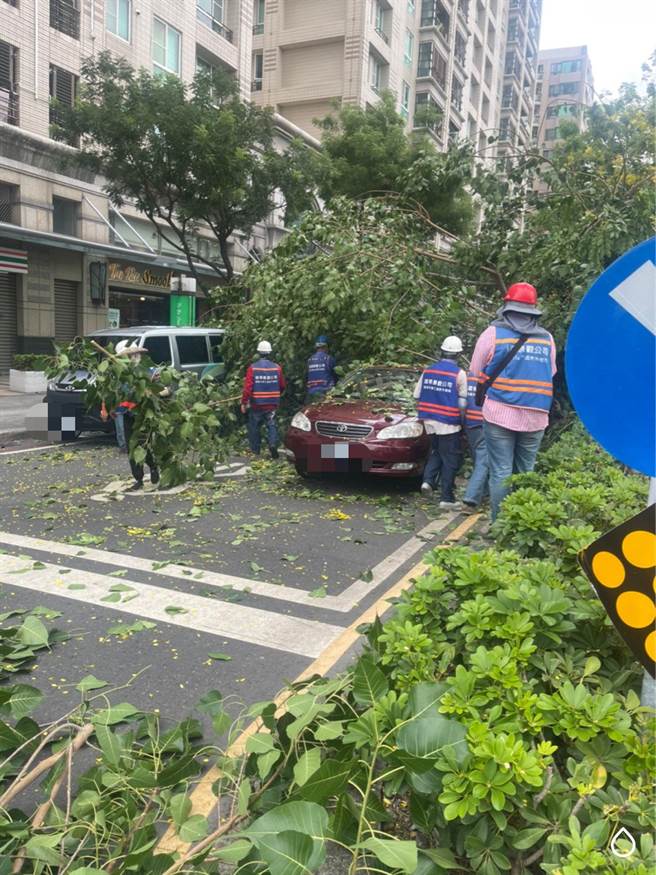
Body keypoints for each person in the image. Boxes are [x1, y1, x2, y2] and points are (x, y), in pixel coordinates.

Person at [469, 282, 556, 521]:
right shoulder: (547, 339)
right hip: (536, 416)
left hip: (499, 413)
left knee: (501, 471)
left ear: (506, 306)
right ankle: (522, 522)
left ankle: (500, 526)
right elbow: (551, 372)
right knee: (525, 472)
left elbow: (475, 372)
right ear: (534, 310)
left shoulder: (492, 334)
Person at [414, 336, 467, 508]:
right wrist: (463, 422)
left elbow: (416, 395)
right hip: (449, 422)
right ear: (458, 354)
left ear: (442, 351)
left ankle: (428, 481)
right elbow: (462, 402)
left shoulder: (427, 371)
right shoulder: (459, 373)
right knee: (450, 460)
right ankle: (446, 498)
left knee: (436, 452)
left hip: (429, 420)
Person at [102, 342, 161, 490]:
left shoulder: (150, 371)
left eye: (136, 354)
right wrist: (107, 409)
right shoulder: (118, 375)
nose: (135, 357)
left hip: (143, 414)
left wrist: (151, 391)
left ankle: (153, 466)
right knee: (131, 447)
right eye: (131, 355)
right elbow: (109, 393)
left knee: (142, 445)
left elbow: (165, 389)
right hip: (126, 414)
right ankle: (139, 479)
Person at [240, 340, 286, 459]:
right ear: (269, 352)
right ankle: (272, 444)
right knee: (271, 424)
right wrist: (275, 395)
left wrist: (244, 402)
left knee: (254, 426)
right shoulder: (277, 368)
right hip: (272, 403)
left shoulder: (253, 368)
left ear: (258, 352)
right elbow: (282, 386)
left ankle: (256, 450)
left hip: (257, 404)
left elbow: (248, 388)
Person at [462, 372, 489, 512]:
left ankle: (484, 492)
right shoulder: (494, 373)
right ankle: (471, 498)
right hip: (487, 421)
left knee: (478, 459)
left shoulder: (468, 376)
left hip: (470, 424)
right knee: (483, 461)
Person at [306, 335, 337, 402]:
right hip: (326, 391)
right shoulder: (329, 359)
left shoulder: (310, 360)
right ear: (326, 347)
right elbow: (336, 376)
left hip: (312, 393)